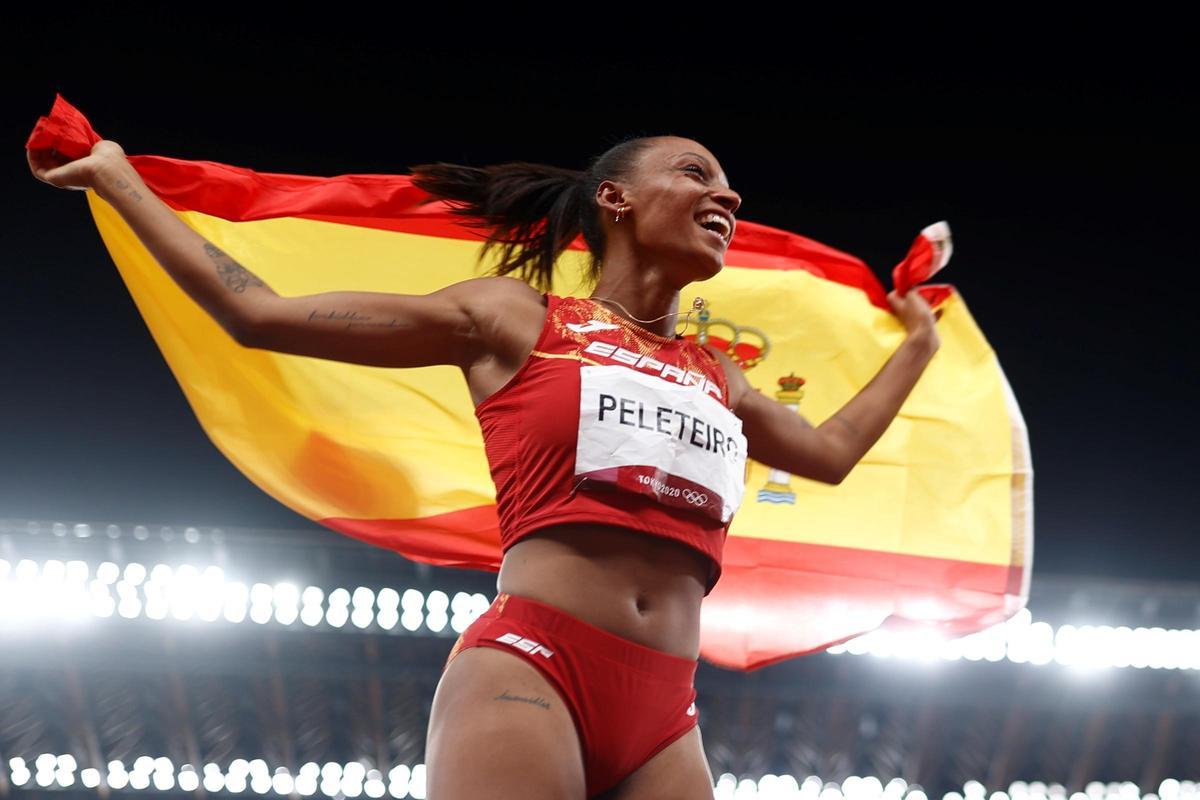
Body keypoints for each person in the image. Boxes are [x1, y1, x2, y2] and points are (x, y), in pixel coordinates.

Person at [28, 134, 940, 799]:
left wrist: (919, 344)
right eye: (695, 172)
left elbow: (830, 454)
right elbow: (259, 316)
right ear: (615, 199)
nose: (728, 196)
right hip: (534, 665)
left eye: (728, 184)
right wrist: (115, 177)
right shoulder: (516, 320)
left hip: (668, 706)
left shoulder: (719, 376)